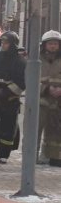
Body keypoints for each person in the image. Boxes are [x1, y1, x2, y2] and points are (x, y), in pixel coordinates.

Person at [0, 31, 26, 165]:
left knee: (8, 129)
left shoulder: (21, 62)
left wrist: (5, 92)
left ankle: (3, 154)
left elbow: (22, 82)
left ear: (13, 44)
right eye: (2, 42)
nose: (3, 45)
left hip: (10, 100)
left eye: (6, 43)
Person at [41, 29, 61, 167]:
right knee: (36, 129)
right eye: (50, 43)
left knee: (55, 131)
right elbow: (30, 79)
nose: (53, 46)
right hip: (41, 100)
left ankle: (55, 157)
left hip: (59, 101)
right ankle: (31, 156)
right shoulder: (36, 59)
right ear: (44, 45)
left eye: (55, 43)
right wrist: (47, 88)